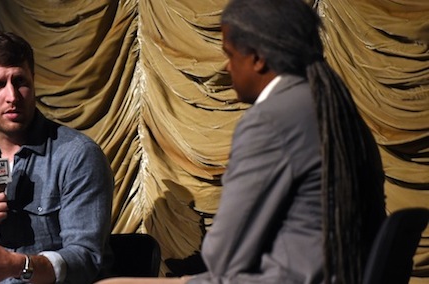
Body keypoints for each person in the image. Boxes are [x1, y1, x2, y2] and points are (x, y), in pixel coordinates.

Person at [96, 0, 386, 283]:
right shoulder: (335, 107)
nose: (226, 67)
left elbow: (224, 255)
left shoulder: (270, 121)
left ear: (258, 59)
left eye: (230, 54)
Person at [0, 31, 114, 284]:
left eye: (20, 81)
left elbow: (85, 260)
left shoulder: (77, 155)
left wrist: (17, 266)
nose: (12, 96)